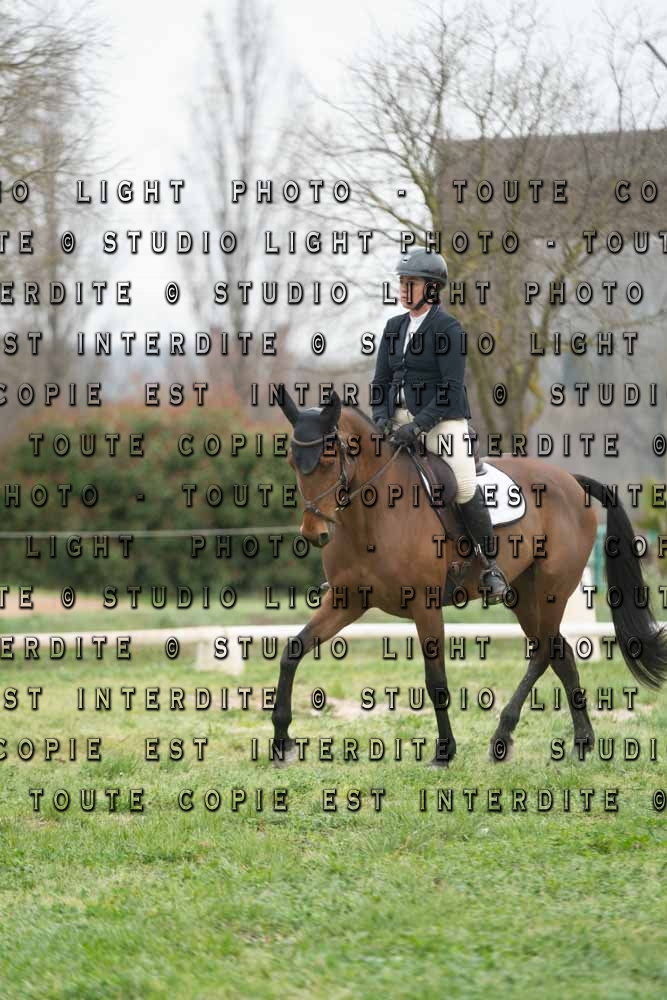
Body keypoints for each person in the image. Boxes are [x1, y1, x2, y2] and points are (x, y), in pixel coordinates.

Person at [370, 247, 509, 603]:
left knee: (463, 485)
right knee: (361, 470)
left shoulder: (449, 328)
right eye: (402, 282)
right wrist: (381, 417)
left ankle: (490, 566)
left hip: (442, 421)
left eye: (411, 283)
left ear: (431, 289)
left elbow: (449, 389)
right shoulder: (393, 327)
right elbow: (380, 382)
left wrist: (418, 427)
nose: (404, 289)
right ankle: (356, 565)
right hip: (397, 419)